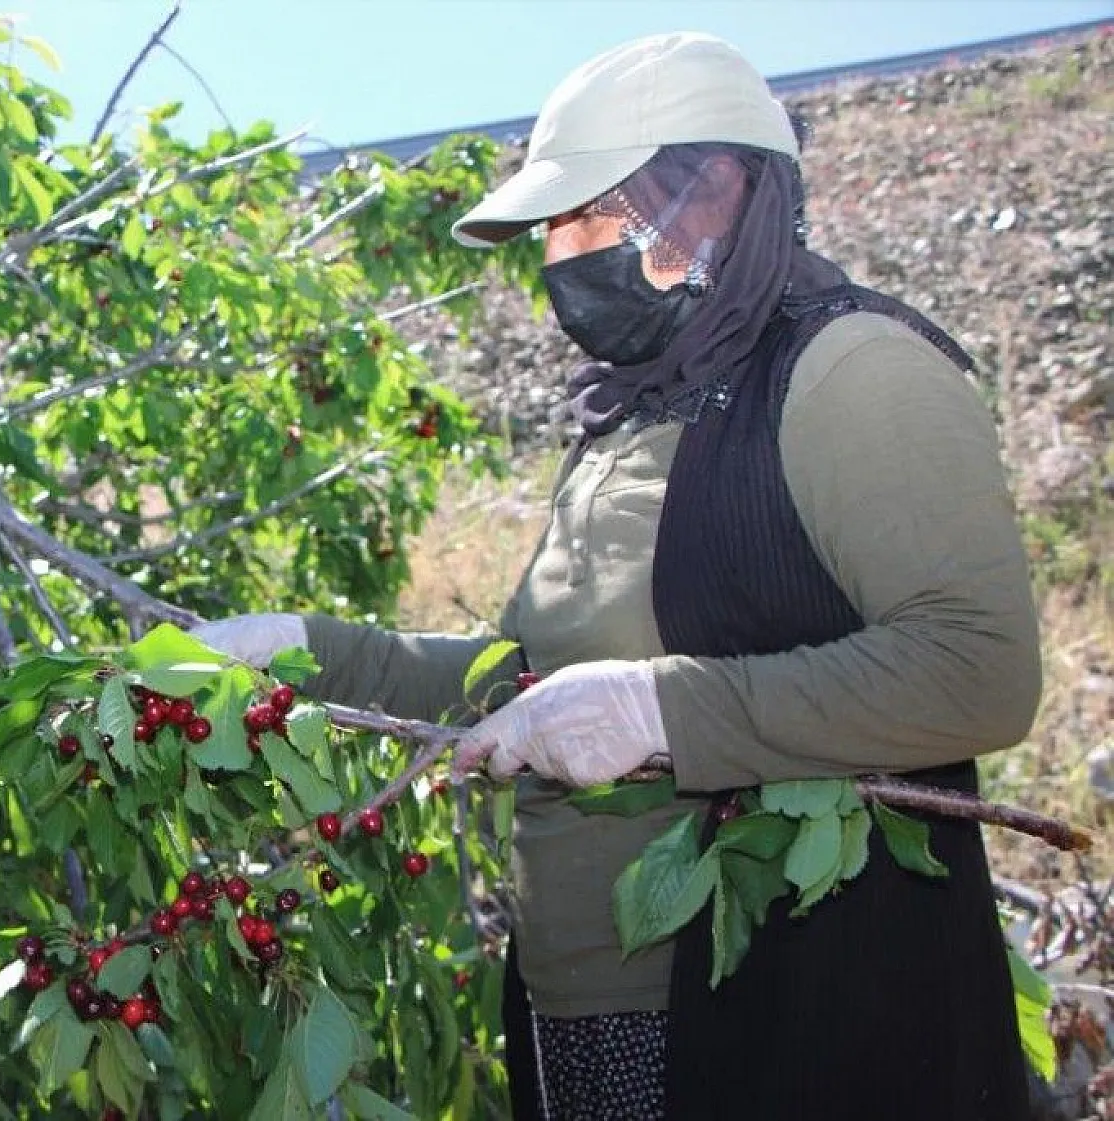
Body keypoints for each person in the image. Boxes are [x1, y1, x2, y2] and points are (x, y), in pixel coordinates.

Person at [192, 31, 1042, 1121]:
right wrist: (305, 651)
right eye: (552, 228)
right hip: (584, 1000)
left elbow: (974, 667)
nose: (561, 252)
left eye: (590, 215)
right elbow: (534, 686)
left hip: (788, 1014)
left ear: (713, 191)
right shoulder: (631, 415)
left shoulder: (850, 372)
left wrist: (661, 708)